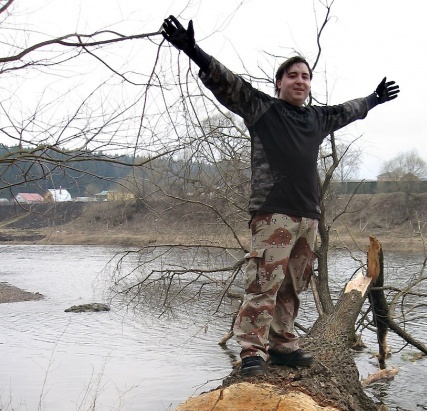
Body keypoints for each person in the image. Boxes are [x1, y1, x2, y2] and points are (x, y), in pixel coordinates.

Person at [162, 16, 399, 377]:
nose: (300, 81)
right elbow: (229, 83)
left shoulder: (316, 119)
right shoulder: (263, 110)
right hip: (274, 214)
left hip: (308, 217)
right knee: (263, 284)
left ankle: (283, 345)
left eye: (305, 76)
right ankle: (252, 353)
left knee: (292, 285)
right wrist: (192, 49)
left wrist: (374, 99)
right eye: (293, 76)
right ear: (279, 84)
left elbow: (347, 111)